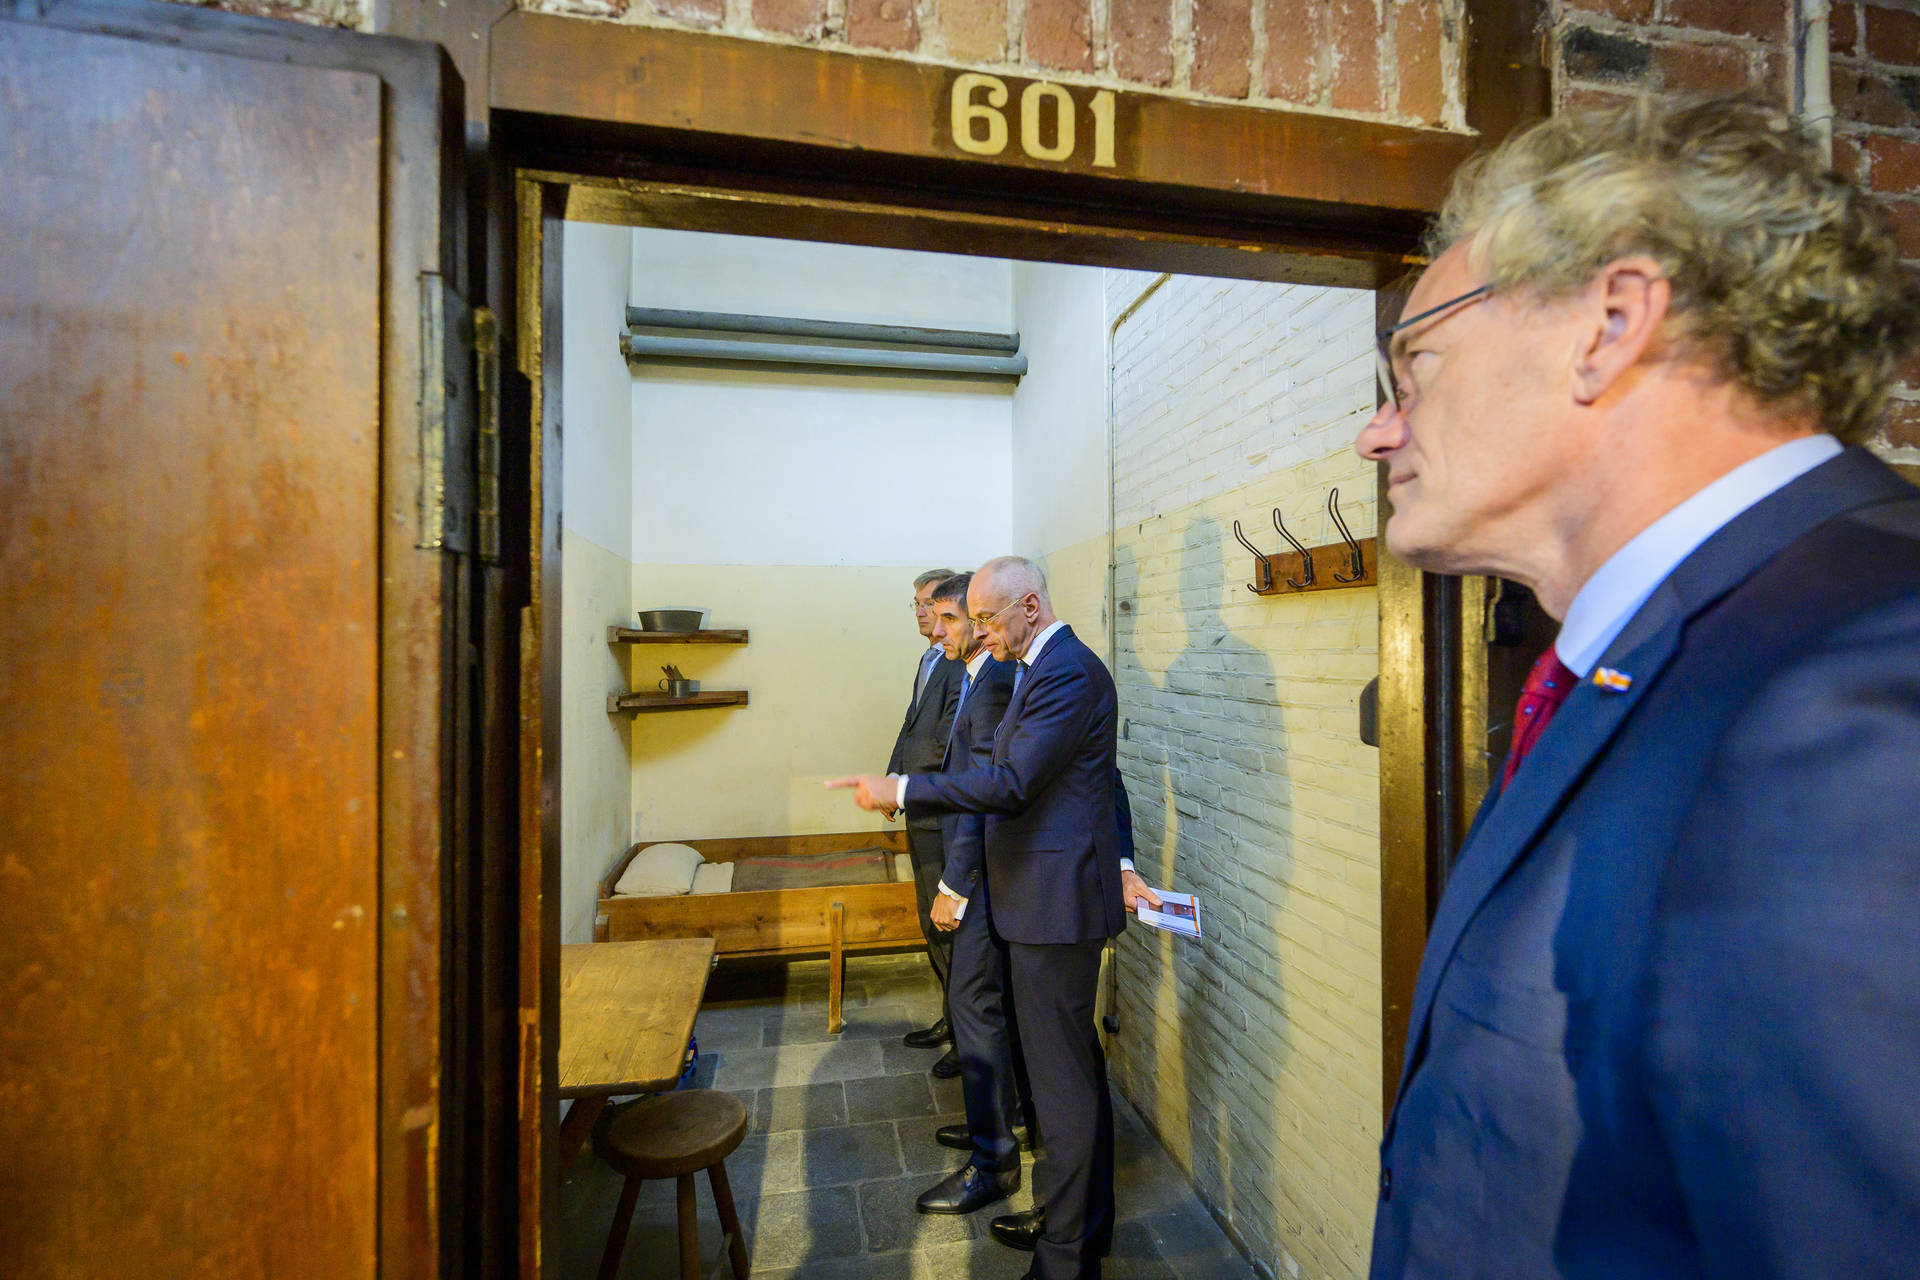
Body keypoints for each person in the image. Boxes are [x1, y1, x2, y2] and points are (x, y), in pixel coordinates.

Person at [1358, 93, 1920, 1279]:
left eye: (1416, 358)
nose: (1378, 429)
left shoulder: (1865, 687)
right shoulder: (1675, 648)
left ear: (1610, 324)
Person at [831, 556, 1158, 1280]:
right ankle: (1083, 1225)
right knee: (1068, 1073)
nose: (978, 632)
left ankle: (1066, 1258)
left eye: (984, 617)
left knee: (1063, 1088)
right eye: (970, 619)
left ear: (1031, 607)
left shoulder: (1066, 670)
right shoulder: (1044, 667)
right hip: (1042, 900)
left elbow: (1011, 784)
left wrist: (907, 788)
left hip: (1054, 907)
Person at [909, 571, 1028, 1217]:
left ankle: (993, 1158)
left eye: (950, 618)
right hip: (980, 864)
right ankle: (999, 1125)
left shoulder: (997, 684)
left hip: (982, 870)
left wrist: (955, 885)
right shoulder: (976, 679)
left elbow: (985, 796)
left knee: (975, 1002)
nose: (941, 628)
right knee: (982, 1002)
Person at [889, 567, 965, 1071]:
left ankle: (967, 1037)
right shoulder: (928, 658)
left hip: (942, 813)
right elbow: (912, 722)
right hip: (919, 807)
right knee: (928, 921)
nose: (922, 616)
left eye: (930, 607)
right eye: (915, 605)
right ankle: (950, 1016)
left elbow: (945, 740)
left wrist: (906, 786)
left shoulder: (962, 665)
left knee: (951, 926)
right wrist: (892, 772)